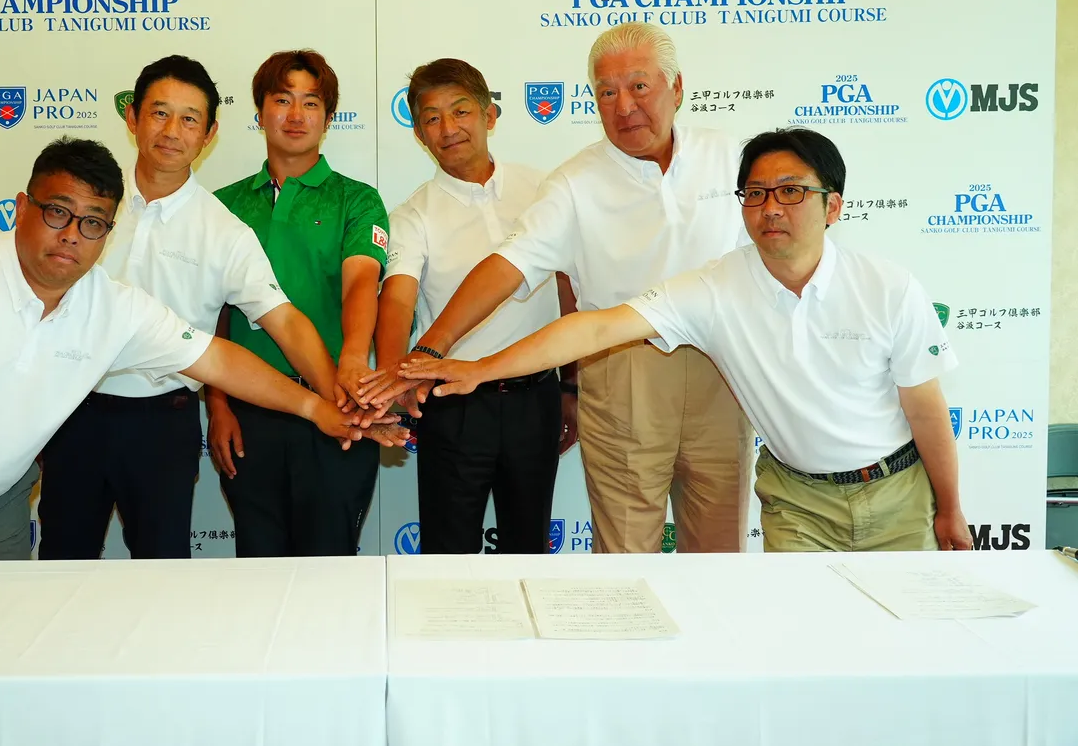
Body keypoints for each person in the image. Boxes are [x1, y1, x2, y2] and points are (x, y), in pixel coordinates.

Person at [390, 128, 971, 553]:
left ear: (833, 206)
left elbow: (925, 409)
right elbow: (595, 327)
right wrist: (478, 367)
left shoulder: (889, 288)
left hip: (897, 493)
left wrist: (950, 507)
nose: (772, 208)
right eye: (756, 194)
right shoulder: (718, 287)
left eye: (791, 191)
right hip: (798, 506)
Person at [0, 138, 383, 562]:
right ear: (21, 208)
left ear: (108, 235)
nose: (71, 235)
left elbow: (218, 359)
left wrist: (316, 408)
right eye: (57, 212)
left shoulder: (113, 308)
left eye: (92, 224)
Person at [363, 21, 750, 554]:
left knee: (720, 554)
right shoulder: (572, 182)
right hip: (615, 369)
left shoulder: (733, 158)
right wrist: (425, 353)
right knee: (622, 556)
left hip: (721, 372)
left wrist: (564, 387)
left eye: (639, 86)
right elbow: (505, 267)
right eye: (607, 92)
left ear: (676, 87)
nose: (624, 105)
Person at [36, 56, 345, 561]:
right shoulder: (85, 206)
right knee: (61, 565)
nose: (171, 131)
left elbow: (284, 320)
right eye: (159, 113)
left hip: (162, 424)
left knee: (163, 575)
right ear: (132, 117)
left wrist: (336, 402)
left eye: (189, 119)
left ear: (209, 134)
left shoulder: (223, 230)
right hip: (72, 411)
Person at [365, 58, 577, 554]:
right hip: (453, 406)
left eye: (460, 111)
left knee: (529, 548)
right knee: (448, 552)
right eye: (432, 118)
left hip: (536, 397)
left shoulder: (543, 189)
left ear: (490, 115)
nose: (448, 128)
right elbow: (397, 297)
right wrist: (397, 374)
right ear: (418, 133)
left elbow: (568, 288)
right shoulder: (412, 214)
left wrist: (570, 386)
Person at [210, 49, 390, 557]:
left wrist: (352, 359)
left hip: (336, 403)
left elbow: (362, 282)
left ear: (328, 118)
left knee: (330, 567)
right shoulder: (222, 206)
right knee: (259, 565)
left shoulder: (356, 200)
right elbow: (211, 315)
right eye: (282, 100)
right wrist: (217, 405)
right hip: (248, 414)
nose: (295, 115)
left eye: (310, 103)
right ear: (259, 112)